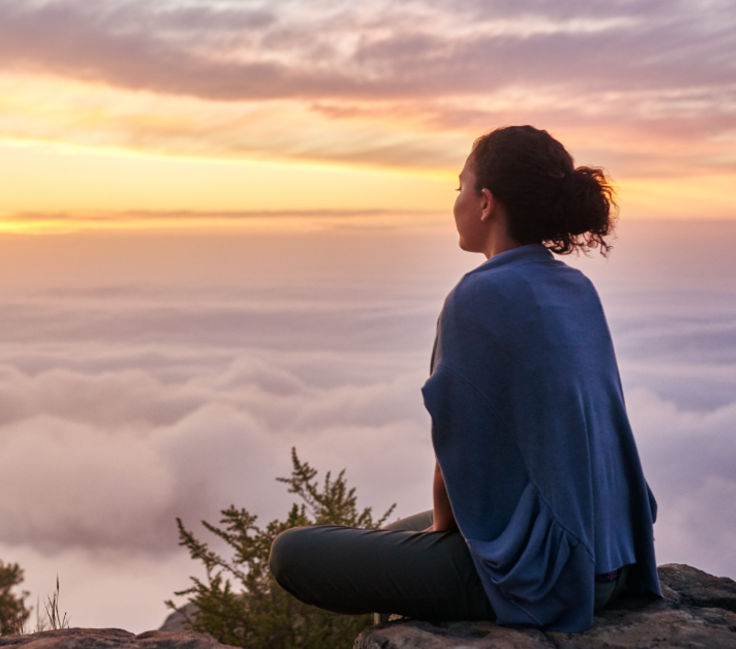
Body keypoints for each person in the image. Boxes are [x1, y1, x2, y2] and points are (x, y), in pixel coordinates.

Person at [268, 125, 661, 632]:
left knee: (293, 553)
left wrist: (443, 535)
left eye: (460, 186)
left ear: (485, 203)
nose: (455, 200)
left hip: (553, 576)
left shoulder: (479, 296)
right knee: (391, 535)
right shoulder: (574, 287)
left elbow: (459, 451)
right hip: (613, 554)